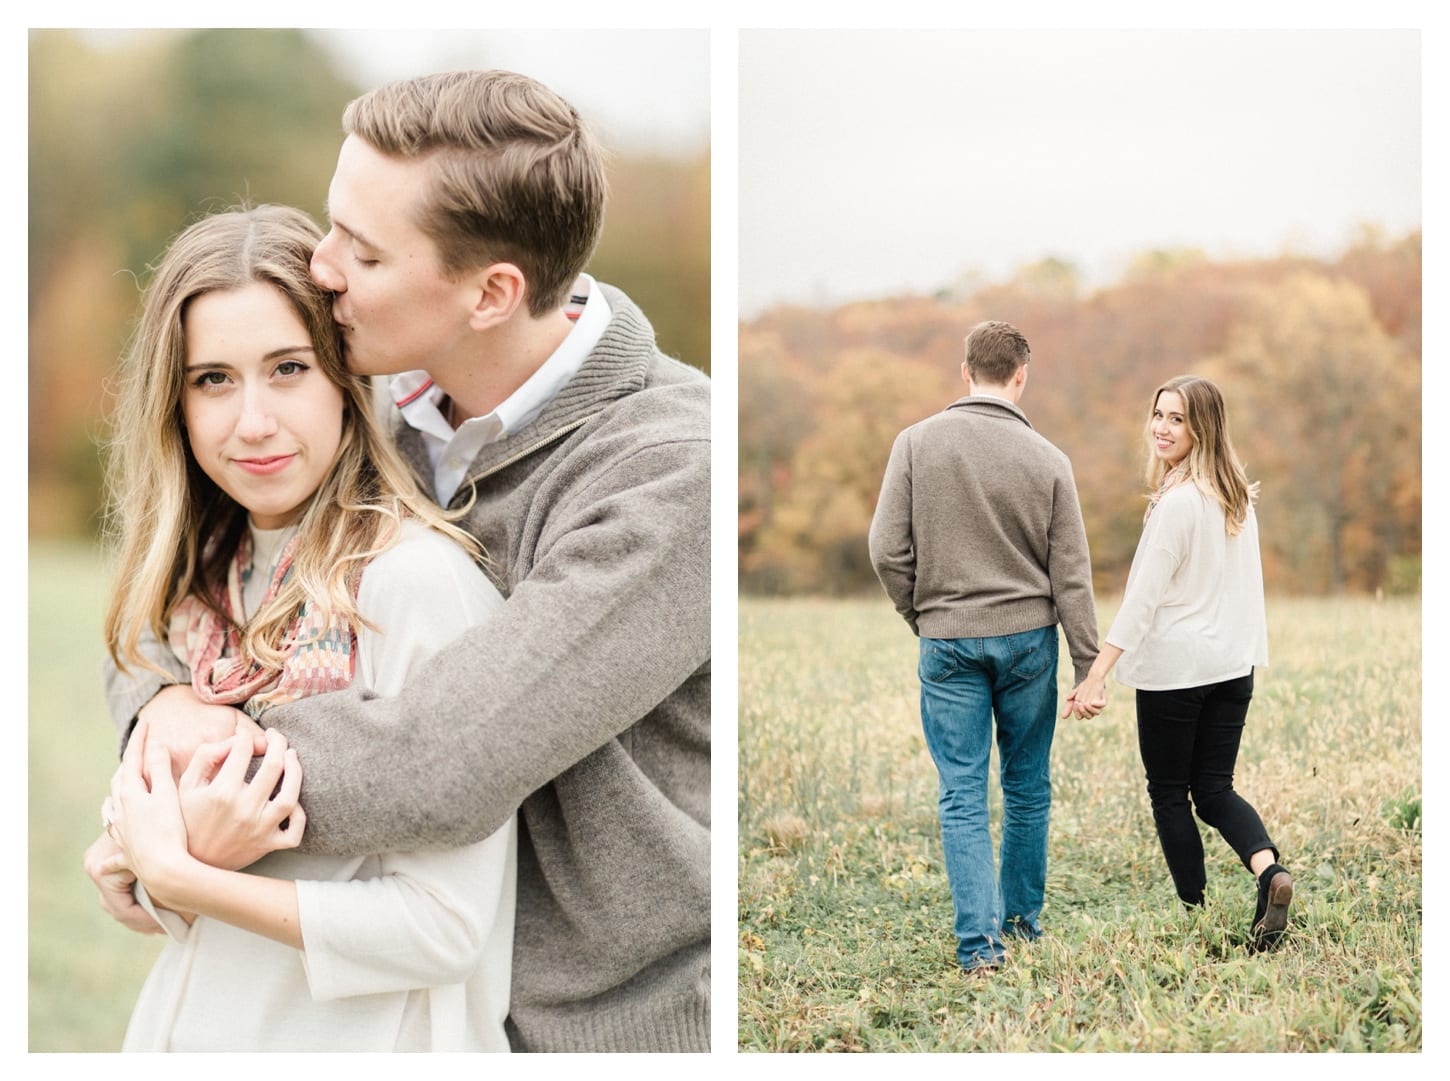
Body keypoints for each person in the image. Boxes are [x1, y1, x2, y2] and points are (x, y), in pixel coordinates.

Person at [94, 70, 710, 1052]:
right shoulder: (367, 399)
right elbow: (189, 578)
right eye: (335, 226)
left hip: (607, 1025)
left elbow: (443, 757)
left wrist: (179, 806)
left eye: (364, 251)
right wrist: (154, 713)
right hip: (388, 1014)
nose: (323, 267)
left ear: (491, 292)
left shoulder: (671, 476)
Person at [88, 204, 517, 1050]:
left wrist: (180, 871)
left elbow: (445, 928)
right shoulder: (201, 579)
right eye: (213, 378)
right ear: (172, 401)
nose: (252, 420)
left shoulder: (416, 583)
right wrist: (140, 865)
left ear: (347, 378)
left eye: (288, 368)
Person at [867, 320, 1099, 975]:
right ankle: (1022, 923)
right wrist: (1088, 663)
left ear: (965, 371)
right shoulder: (1051, 460)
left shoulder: (914, 445)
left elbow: (885, 548)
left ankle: (979, 947)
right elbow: (1071, 573)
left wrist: (919, 609)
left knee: (962, 793)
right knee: (1027, 787)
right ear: (1021, 375)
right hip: (1030, 642)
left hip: (948, 638)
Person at [1064, 375, 1292, 951]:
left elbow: (1142, 599)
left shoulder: (1179, 504)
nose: (1162, 429)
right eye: (1159, 415)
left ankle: (1197, 912)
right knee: (1215, 789)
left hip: (1177, 671)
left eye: (1178, 420)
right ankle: (1269, 872)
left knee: (1169, 793)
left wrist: (1096, 673)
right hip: (1231, 667)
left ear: (1202, 429)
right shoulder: (1235, 495)